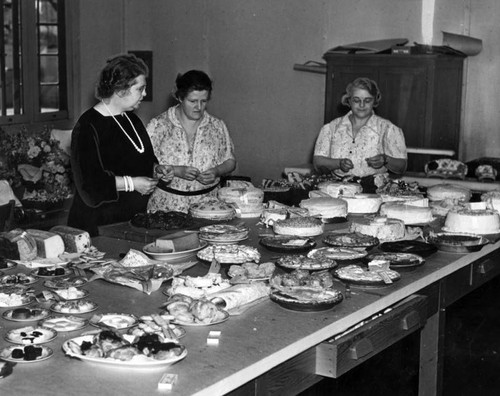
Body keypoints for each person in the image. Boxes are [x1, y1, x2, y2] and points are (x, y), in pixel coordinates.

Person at [68, 54, 173, 236]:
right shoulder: (88, 126)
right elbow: (89, 185)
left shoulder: (132, 118)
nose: (145, 94)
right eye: (140, 89)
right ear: (120, 89)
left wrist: (157, 169)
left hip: (129, 222)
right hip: (96, 226)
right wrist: (133, 184)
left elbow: (143, 159)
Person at [147, 70, 236, 213]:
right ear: (180, 98)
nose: (199, 107)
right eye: (193, 101)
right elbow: (143, 165)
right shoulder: (158, 125)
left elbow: (230, 161)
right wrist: (176, 171)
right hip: (166, 209)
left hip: (208, 208)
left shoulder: (217, 126)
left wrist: (216, 171)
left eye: (204, 101)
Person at [313, 77, 407, 178]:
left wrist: (385, 160)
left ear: (375, 101)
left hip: (374, 190)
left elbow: (402, 166)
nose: (362, 105)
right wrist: (338, 163)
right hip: (337, 190)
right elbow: (317, 163)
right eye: (356, 100)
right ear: (348, 101)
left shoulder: (388, 129)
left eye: (367, 100)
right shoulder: (330, 128)